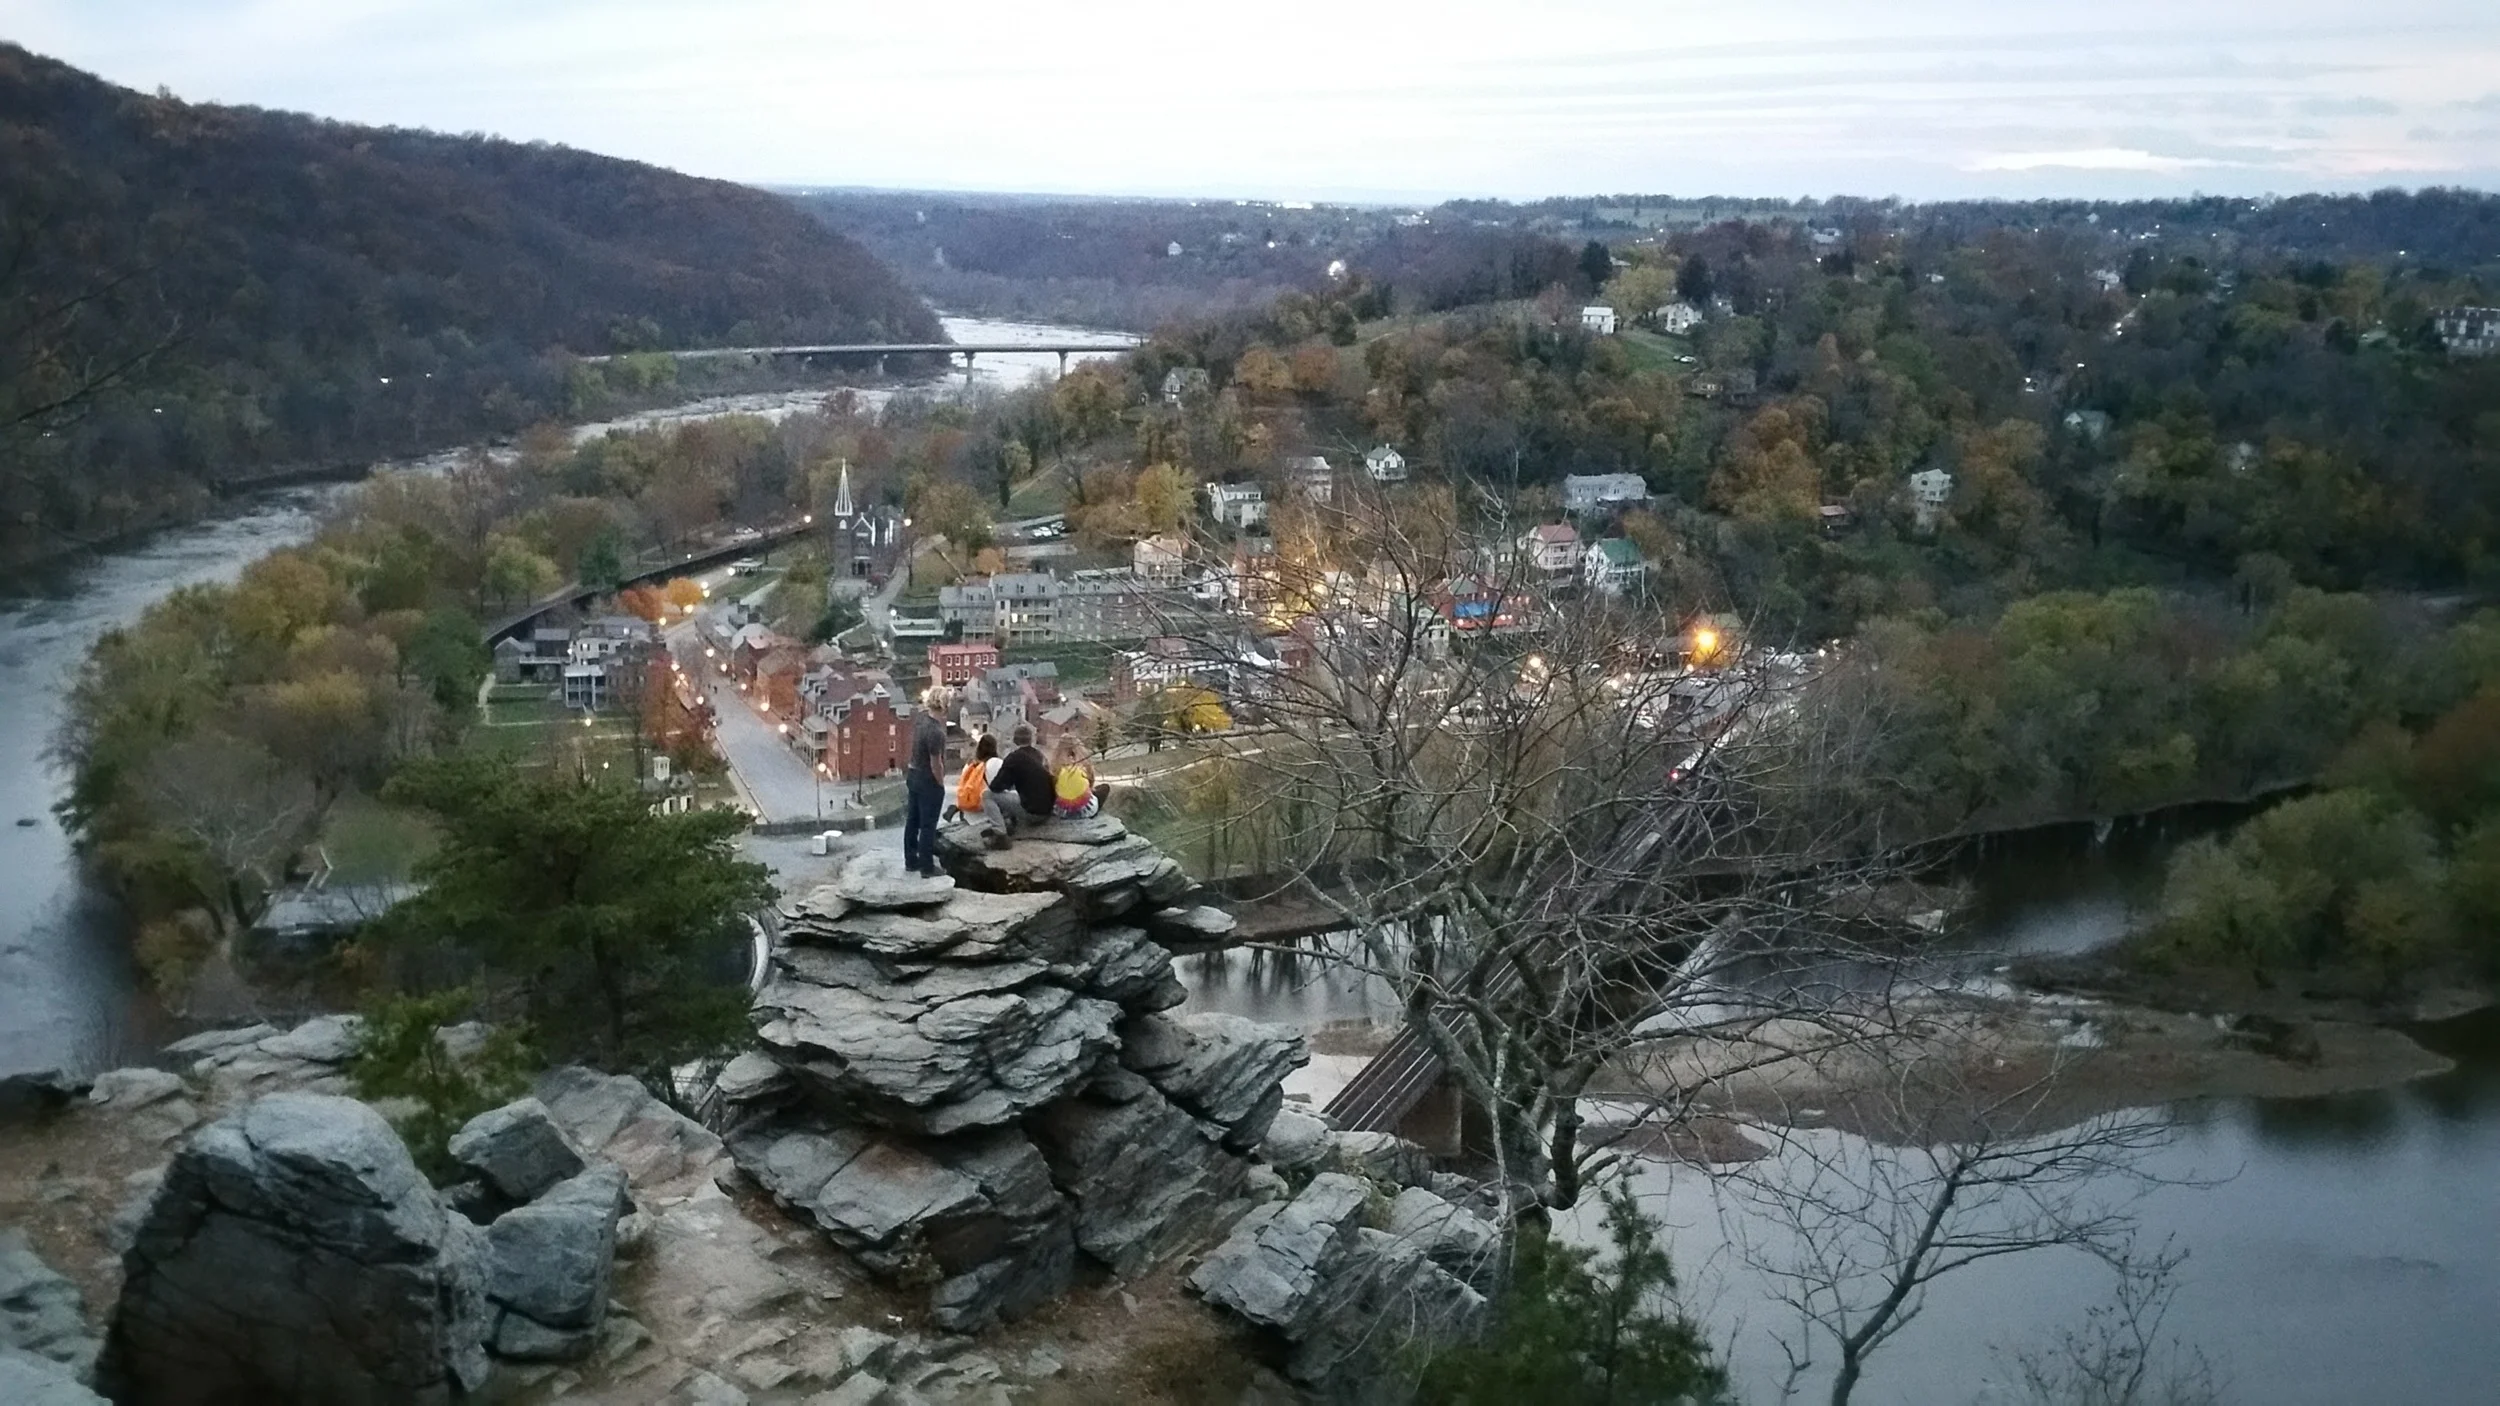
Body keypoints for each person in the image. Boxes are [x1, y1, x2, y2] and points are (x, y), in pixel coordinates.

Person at [982, 723, 1056, 847]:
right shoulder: (1039, 755)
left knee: (987, 795)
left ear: (1015, 740)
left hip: (1033, 813)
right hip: (1047, 810)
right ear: (1031, 739)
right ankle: (1008, 823)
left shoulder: (1014, 758)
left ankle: (1000, 835)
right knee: (1016, 792)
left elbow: (996, 786)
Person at [902, 690, 949, 876]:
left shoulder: (921, 720)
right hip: (928, 780)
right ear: (945, 706)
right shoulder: (936, 732)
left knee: (912, 821)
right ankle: (927, 867)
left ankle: (911, 861)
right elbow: (936, 763)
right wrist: (941, 783)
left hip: (913, 774)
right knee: (928, 825)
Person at [949, 732, 999, 823]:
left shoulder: (969, 766)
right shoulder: (996, 763)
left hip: (968, 814)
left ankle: (957, 806)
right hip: (984, 814)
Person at [1050, 735, 1102, 819]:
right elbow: (1091, 782)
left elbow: (1054, 789)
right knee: (1104, 788)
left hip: (1063, 812)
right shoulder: (1084, 764)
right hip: (1086, 810)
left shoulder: (1056, 767)